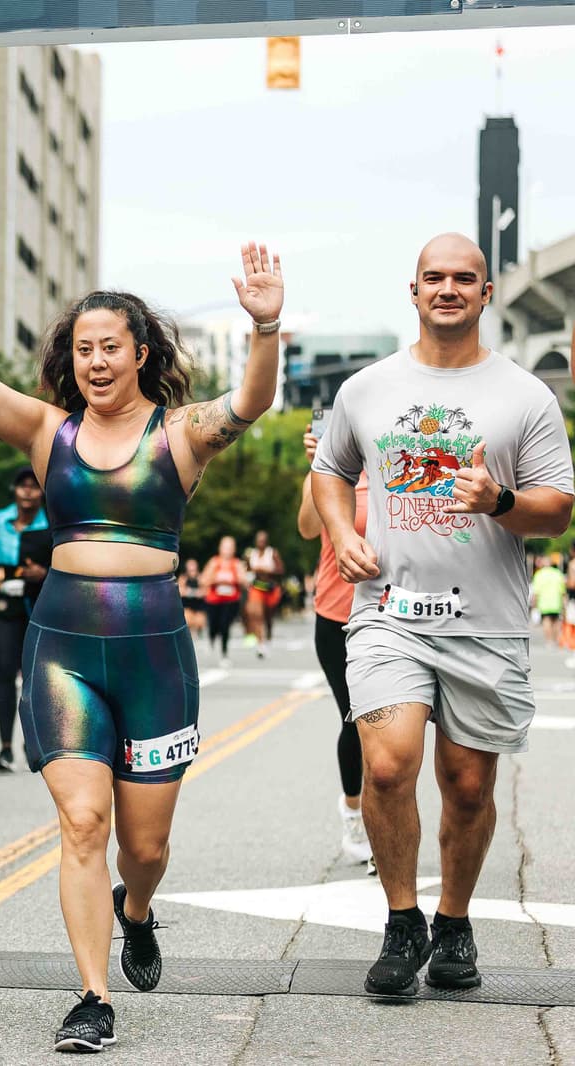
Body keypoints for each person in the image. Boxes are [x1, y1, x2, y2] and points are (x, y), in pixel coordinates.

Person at [0, 210, 282, 1052]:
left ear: (140, 353)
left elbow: (254, 400)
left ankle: (138, 907)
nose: (94, 361)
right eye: (82, 349)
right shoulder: (51, 434)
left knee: (143, 846)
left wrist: (264, 325)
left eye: (109, 346)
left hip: (155, 653)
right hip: (64, 650)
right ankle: (92, 995)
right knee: (83, 820)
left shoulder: (181, 436)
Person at [312, 232, 574, 1000]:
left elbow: (557, 510)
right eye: (436, 277)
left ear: (487, 293)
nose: (449, 288)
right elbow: (331, 470)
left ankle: (453, 920)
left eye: (465, 277)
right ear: (415, 290)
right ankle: (401, 922)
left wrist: (500, 500)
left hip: (485, 621)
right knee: (388, 764)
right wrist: (342, 530)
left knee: (466, 786)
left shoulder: (526, 396)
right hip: (388, 612)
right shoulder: (367, 388)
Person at [298, 427, 373, 871]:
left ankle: (383, 825)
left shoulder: (393, 471)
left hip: (390, 614)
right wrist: (315, 467)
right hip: (336, 615)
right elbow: (307, 528)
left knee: (391, 729)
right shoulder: (331, 472)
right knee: (358, 720)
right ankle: (353, 811)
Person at [0, 466, 50, 772]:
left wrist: (44, 572)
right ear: (14, 490)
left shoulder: (53, 524)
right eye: (23, 486)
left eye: (34, 486)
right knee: (5, 672)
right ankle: (5, 747)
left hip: (41, 603)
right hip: (5, 604)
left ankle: (36, 743)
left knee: (36, 677)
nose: (28, 491)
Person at [201, 536, 245, 667]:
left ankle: (224, 654)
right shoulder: (214, 562)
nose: (228, 550)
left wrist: (234, 580)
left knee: (225, 626)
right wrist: (217, 579)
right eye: (225, 547)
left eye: (230, 548)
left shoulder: (236, 564)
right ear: (220, 548)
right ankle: (211, 639)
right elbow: (204, 580)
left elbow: (244, 581)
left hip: (230, 601)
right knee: (214, 624)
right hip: (214, 600)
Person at [243, 529, 284, 655]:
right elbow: (247, 569)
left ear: (266, 541)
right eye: (259, 540)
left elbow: (281, 570)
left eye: (263, 540)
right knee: (257, 614)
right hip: (257, 587)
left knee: (268, 616)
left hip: (270, 588)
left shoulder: (272, 553)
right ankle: (260, 643)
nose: (261, 542)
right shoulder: (252, 554)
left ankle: (269, 636)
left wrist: (267, 570)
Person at [530, 554, 564, 648]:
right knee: (556, 620)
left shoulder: (539, 574)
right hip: (556, 601)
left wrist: (534, 603)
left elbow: (536, 591)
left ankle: (549, 641)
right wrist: (564, 603)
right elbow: (562, 590)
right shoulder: (558, 573)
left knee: (546, 620)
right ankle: (556, 639)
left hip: (544, 602)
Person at [176, 559, 207, 639]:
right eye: (190, 570)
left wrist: (199, 593)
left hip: (198, 607)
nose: (192, 572)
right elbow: (180, 591)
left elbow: (205, 591)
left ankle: (198, 631)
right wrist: (191, 592)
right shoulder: (183, 578)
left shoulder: (200, 578)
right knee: (188, 619)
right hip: (187, 606)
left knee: (200, 622)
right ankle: (189, 634)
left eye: (194, 570)